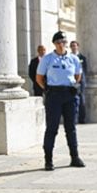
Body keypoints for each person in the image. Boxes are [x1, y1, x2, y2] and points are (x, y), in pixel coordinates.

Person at [36, 31, 86, 171]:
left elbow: (78, 76)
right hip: (54, 95)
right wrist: (48, 90)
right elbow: (39, 78)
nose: (61, 45)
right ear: (54, 44)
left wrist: (70, 87)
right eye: (58, 42)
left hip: (70, 95)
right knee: (52, 128)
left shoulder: (74, 59)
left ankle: (75, 157)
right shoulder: (48, 59)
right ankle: (48, 160)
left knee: (71, 128)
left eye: (63, 42)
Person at [69, 40, 88, 123]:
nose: (74, 47)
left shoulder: (82, 58)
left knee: (82, 100)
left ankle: (82, 119)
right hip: (71, 81)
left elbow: (85, 70)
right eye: (72, 46)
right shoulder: (68, 57)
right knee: (71, 100)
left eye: (75, 45)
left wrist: (82, 79)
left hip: (81, 82)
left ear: (77, 47)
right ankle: (74, 119)